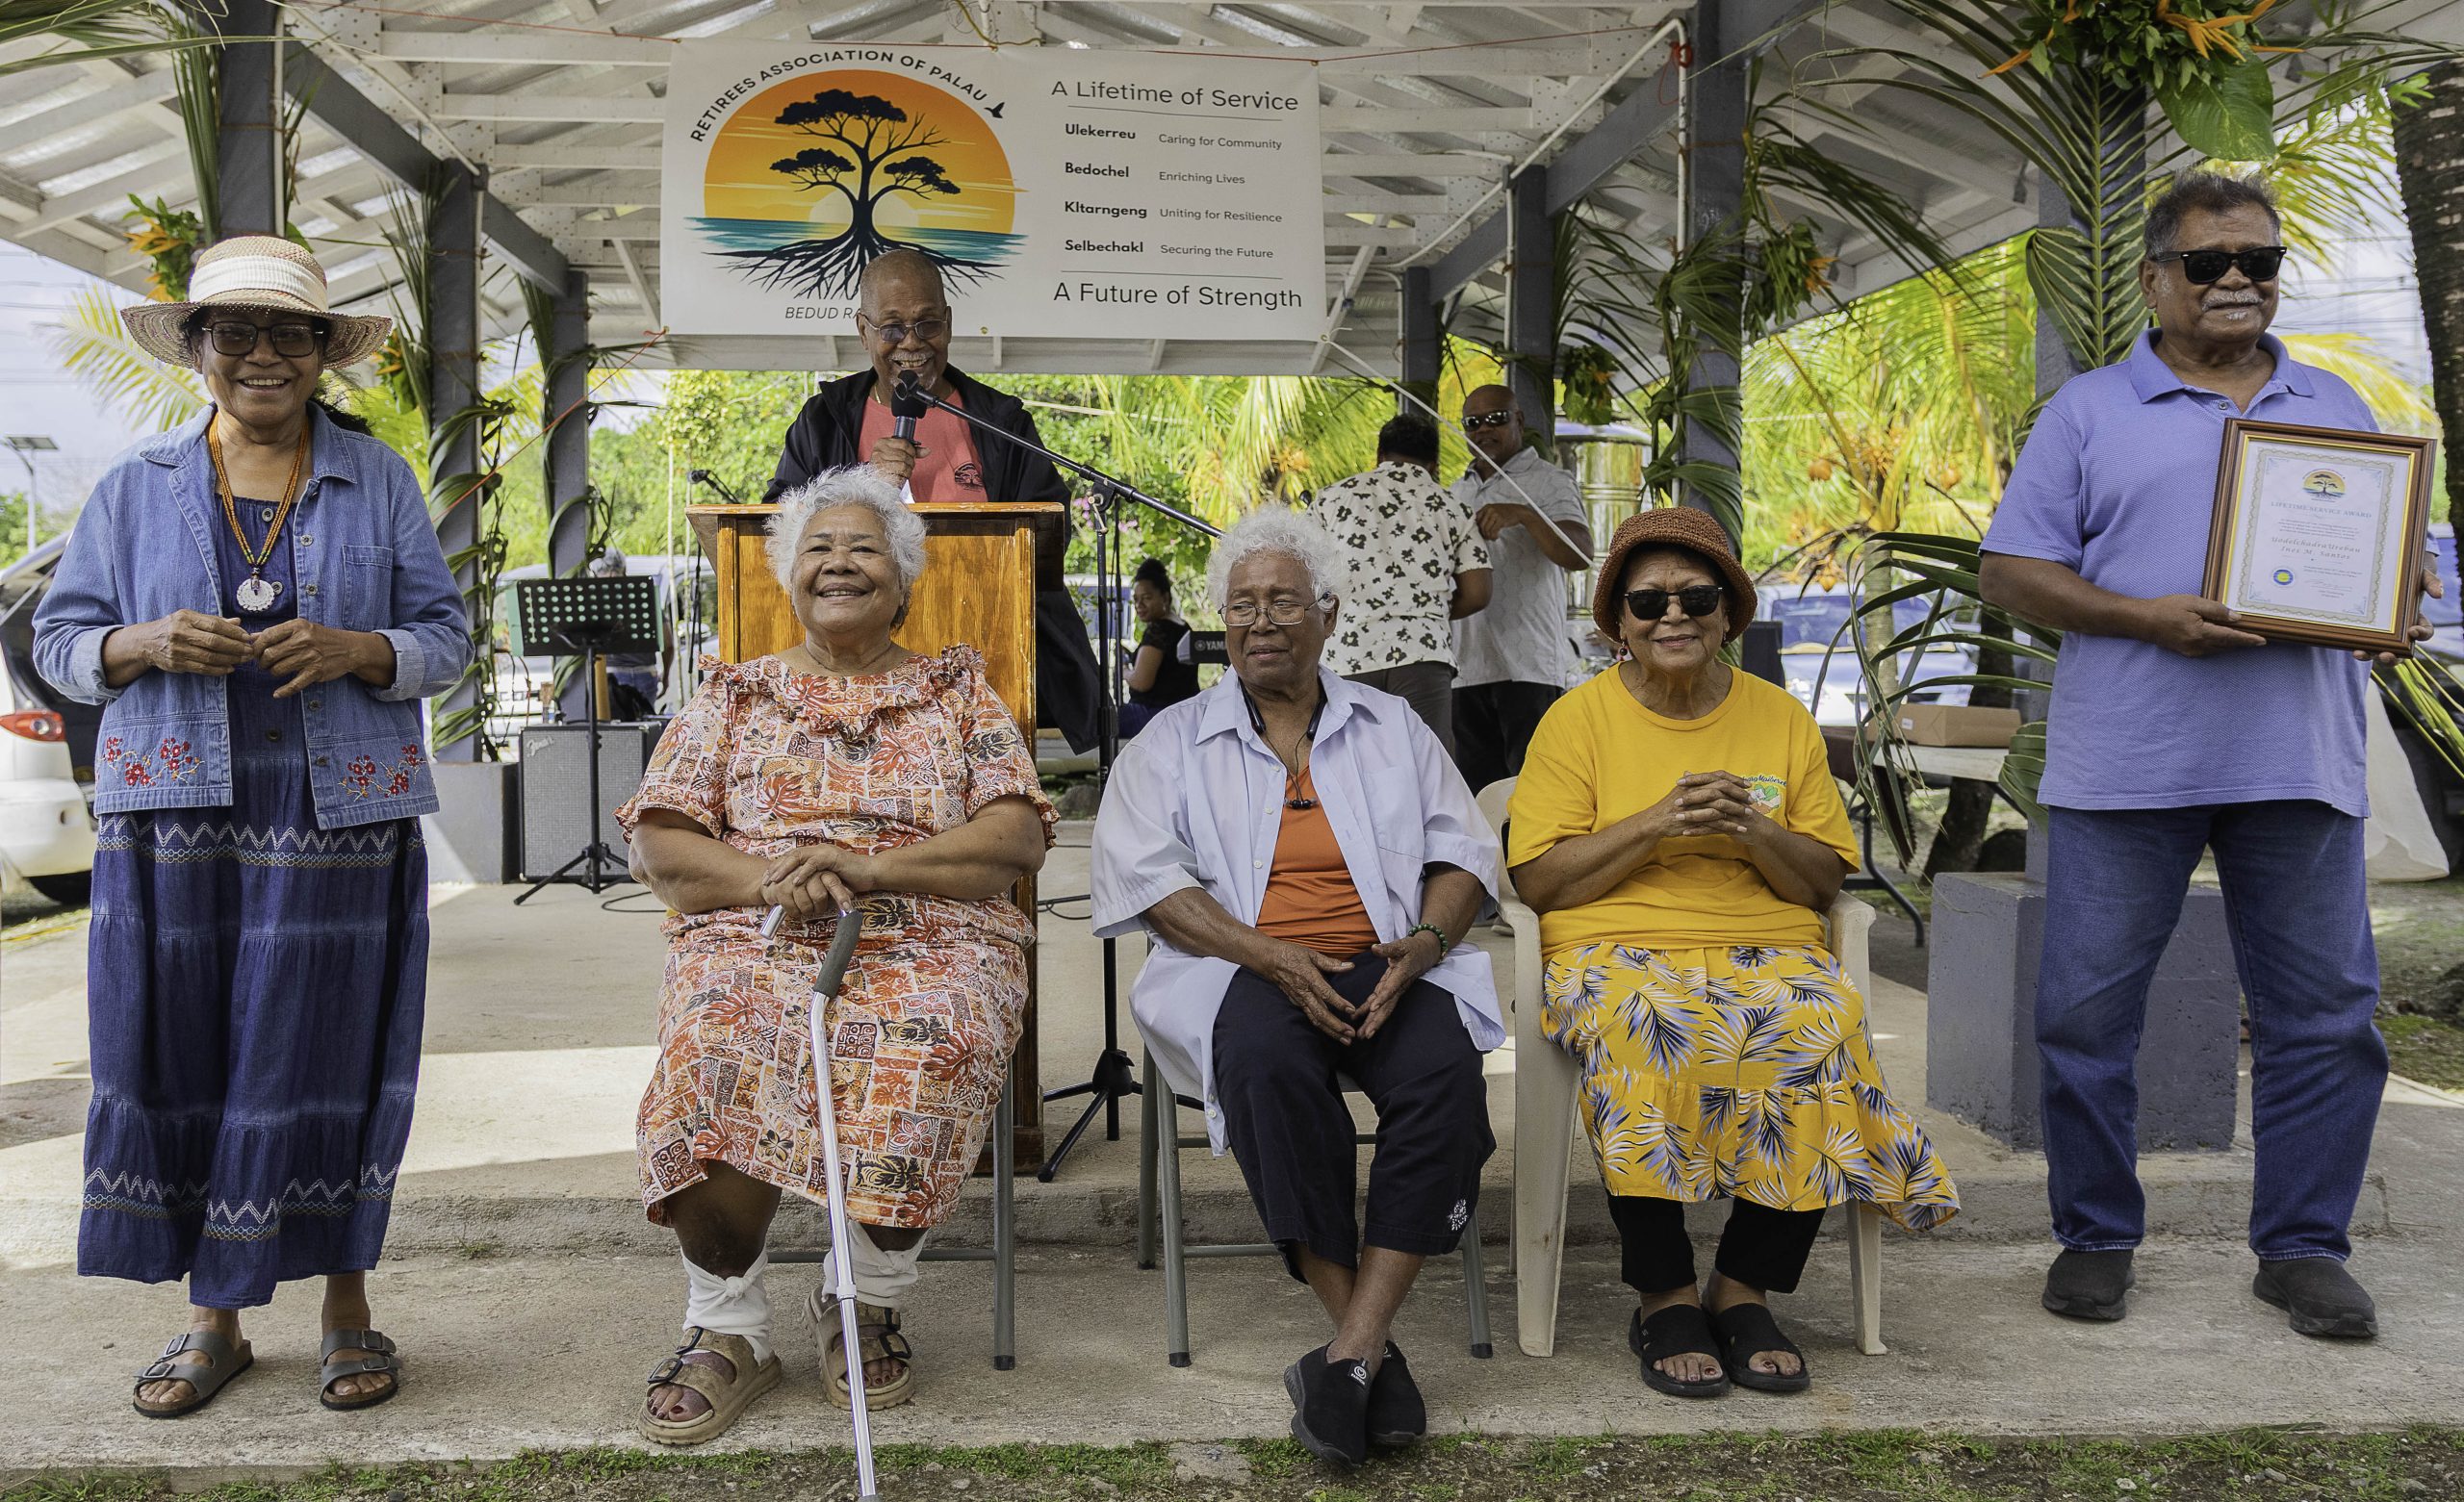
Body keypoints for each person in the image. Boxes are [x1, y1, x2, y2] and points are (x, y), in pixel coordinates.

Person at [1979, 172, 2441, 1339]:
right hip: (2126, 763)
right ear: (2154, 279)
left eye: (2258, 260)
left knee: (2325, 1019)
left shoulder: (2334, 402)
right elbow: (2009, 569)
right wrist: (2145, 618)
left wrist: (2395, 596)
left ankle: (2302, 1248)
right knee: (2084, 1017)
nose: (2237, 278)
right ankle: (2095, 1234)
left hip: (2298, 759)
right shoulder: (2089, 410)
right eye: (2207, 262)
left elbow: (2389, 559)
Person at [32, 235, 469, 1416]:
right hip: (174, 818)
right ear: (197, 349)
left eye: (291, 333)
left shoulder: (377, 479)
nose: (264, 355)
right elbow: (60, 644)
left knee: (332, 1052)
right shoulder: (134, 487)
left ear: (324, 353)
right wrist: (142, 642)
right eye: (236, 331)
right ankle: (211, 1320)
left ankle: (345, 1309)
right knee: (181, 1052)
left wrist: (360, 649)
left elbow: (447, 638)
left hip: (341, 813)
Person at [620, 467, 1053, 1443]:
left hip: (932, 930)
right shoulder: (734, 694)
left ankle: (863, 1294)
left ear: (903, 580)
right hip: (755, 929)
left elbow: (1016, 838)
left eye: (864, 548)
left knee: (935, 1035)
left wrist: (870, 866)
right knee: (715, 1041)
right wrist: (772, 879)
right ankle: (726, 1324)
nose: (840, 563)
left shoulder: (956, 693)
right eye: (818, 547)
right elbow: (661, 847)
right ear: (789, 577)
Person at [1507, 508, 1959, 1400]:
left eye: (1696, 596)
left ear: (1728, 612)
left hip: (1766, 944)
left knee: (1820, 1024)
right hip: (1616, 945)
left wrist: (1754, 828)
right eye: (1648, 601)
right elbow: (1540, 881)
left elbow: (1822, 882)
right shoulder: (1576, 720)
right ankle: (1665, 1293)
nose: (1672, 615)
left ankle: (1743, 1286)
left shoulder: (1779, 719)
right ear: (1619, 620)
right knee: (1648, 1026)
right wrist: (1655, 823)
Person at [1091, 508, 1502, 1466]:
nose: (1261, 621)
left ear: (1329, 613)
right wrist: (1269, 955)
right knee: (1266, 1071)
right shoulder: (1172, 740)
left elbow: (1463, 855)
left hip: (1387, 961)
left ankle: (1349, 1353)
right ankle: (1367, 1344)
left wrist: (1427, 942)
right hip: (1241, 966)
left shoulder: (1391, 726)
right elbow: (1151, 887)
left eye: (1283, 600)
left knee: (1444, 1075)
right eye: (1242, 604)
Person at [767, 247, 1104, 751]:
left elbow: (1051, 528)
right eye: (892, 327)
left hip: (989, 657)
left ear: (947, 323)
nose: (912, 343)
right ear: (863, 331)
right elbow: (778, 527)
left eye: (927, 324)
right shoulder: (824, 419)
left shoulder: (999, 420)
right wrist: (865, 481)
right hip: (850, 667)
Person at [1305, 414, 1492, 752]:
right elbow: (1479, 592)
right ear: (1434, 464)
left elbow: (1303, 574)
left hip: (1348, 655)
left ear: (1380, 455)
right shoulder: (1452, 506)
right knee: (1426, 765)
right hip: (1423, 655)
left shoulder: (1331, 499)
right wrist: (1425, 610)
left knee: (1348, 764)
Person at [1449, 385, 1590, 796]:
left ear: (1519, 421)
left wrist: (1526, 515)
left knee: (1534, 794)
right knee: (1478, 800)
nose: (1483, 429)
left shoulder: (1549, 481)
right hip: (1466, 667)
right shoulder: (1455, 491)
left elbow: (1580, 553)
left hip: (1528, 666)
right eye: (1473, 422)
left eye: (1496, 418)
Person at [1118, 556, 1199, 739]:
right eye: (1136, 599)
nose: (1139, 605)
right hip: (1183, 714)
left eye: (1147, 598)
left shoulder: (1160, 629)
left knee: (1101, 720)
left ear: (1165, 597)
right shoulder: (1182, 626)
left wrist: (1123, 670)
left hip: (1156, 715)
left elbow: (1141, 682)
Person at [588, 546, 665, 719]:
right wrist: (665, 677)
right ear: (624, 570)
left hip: (611, 674)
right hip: (646, 672)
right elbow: (668, 642)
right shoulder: (644, 596)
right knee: (645, 727)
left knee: (616, 729)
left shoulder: (595, 599)